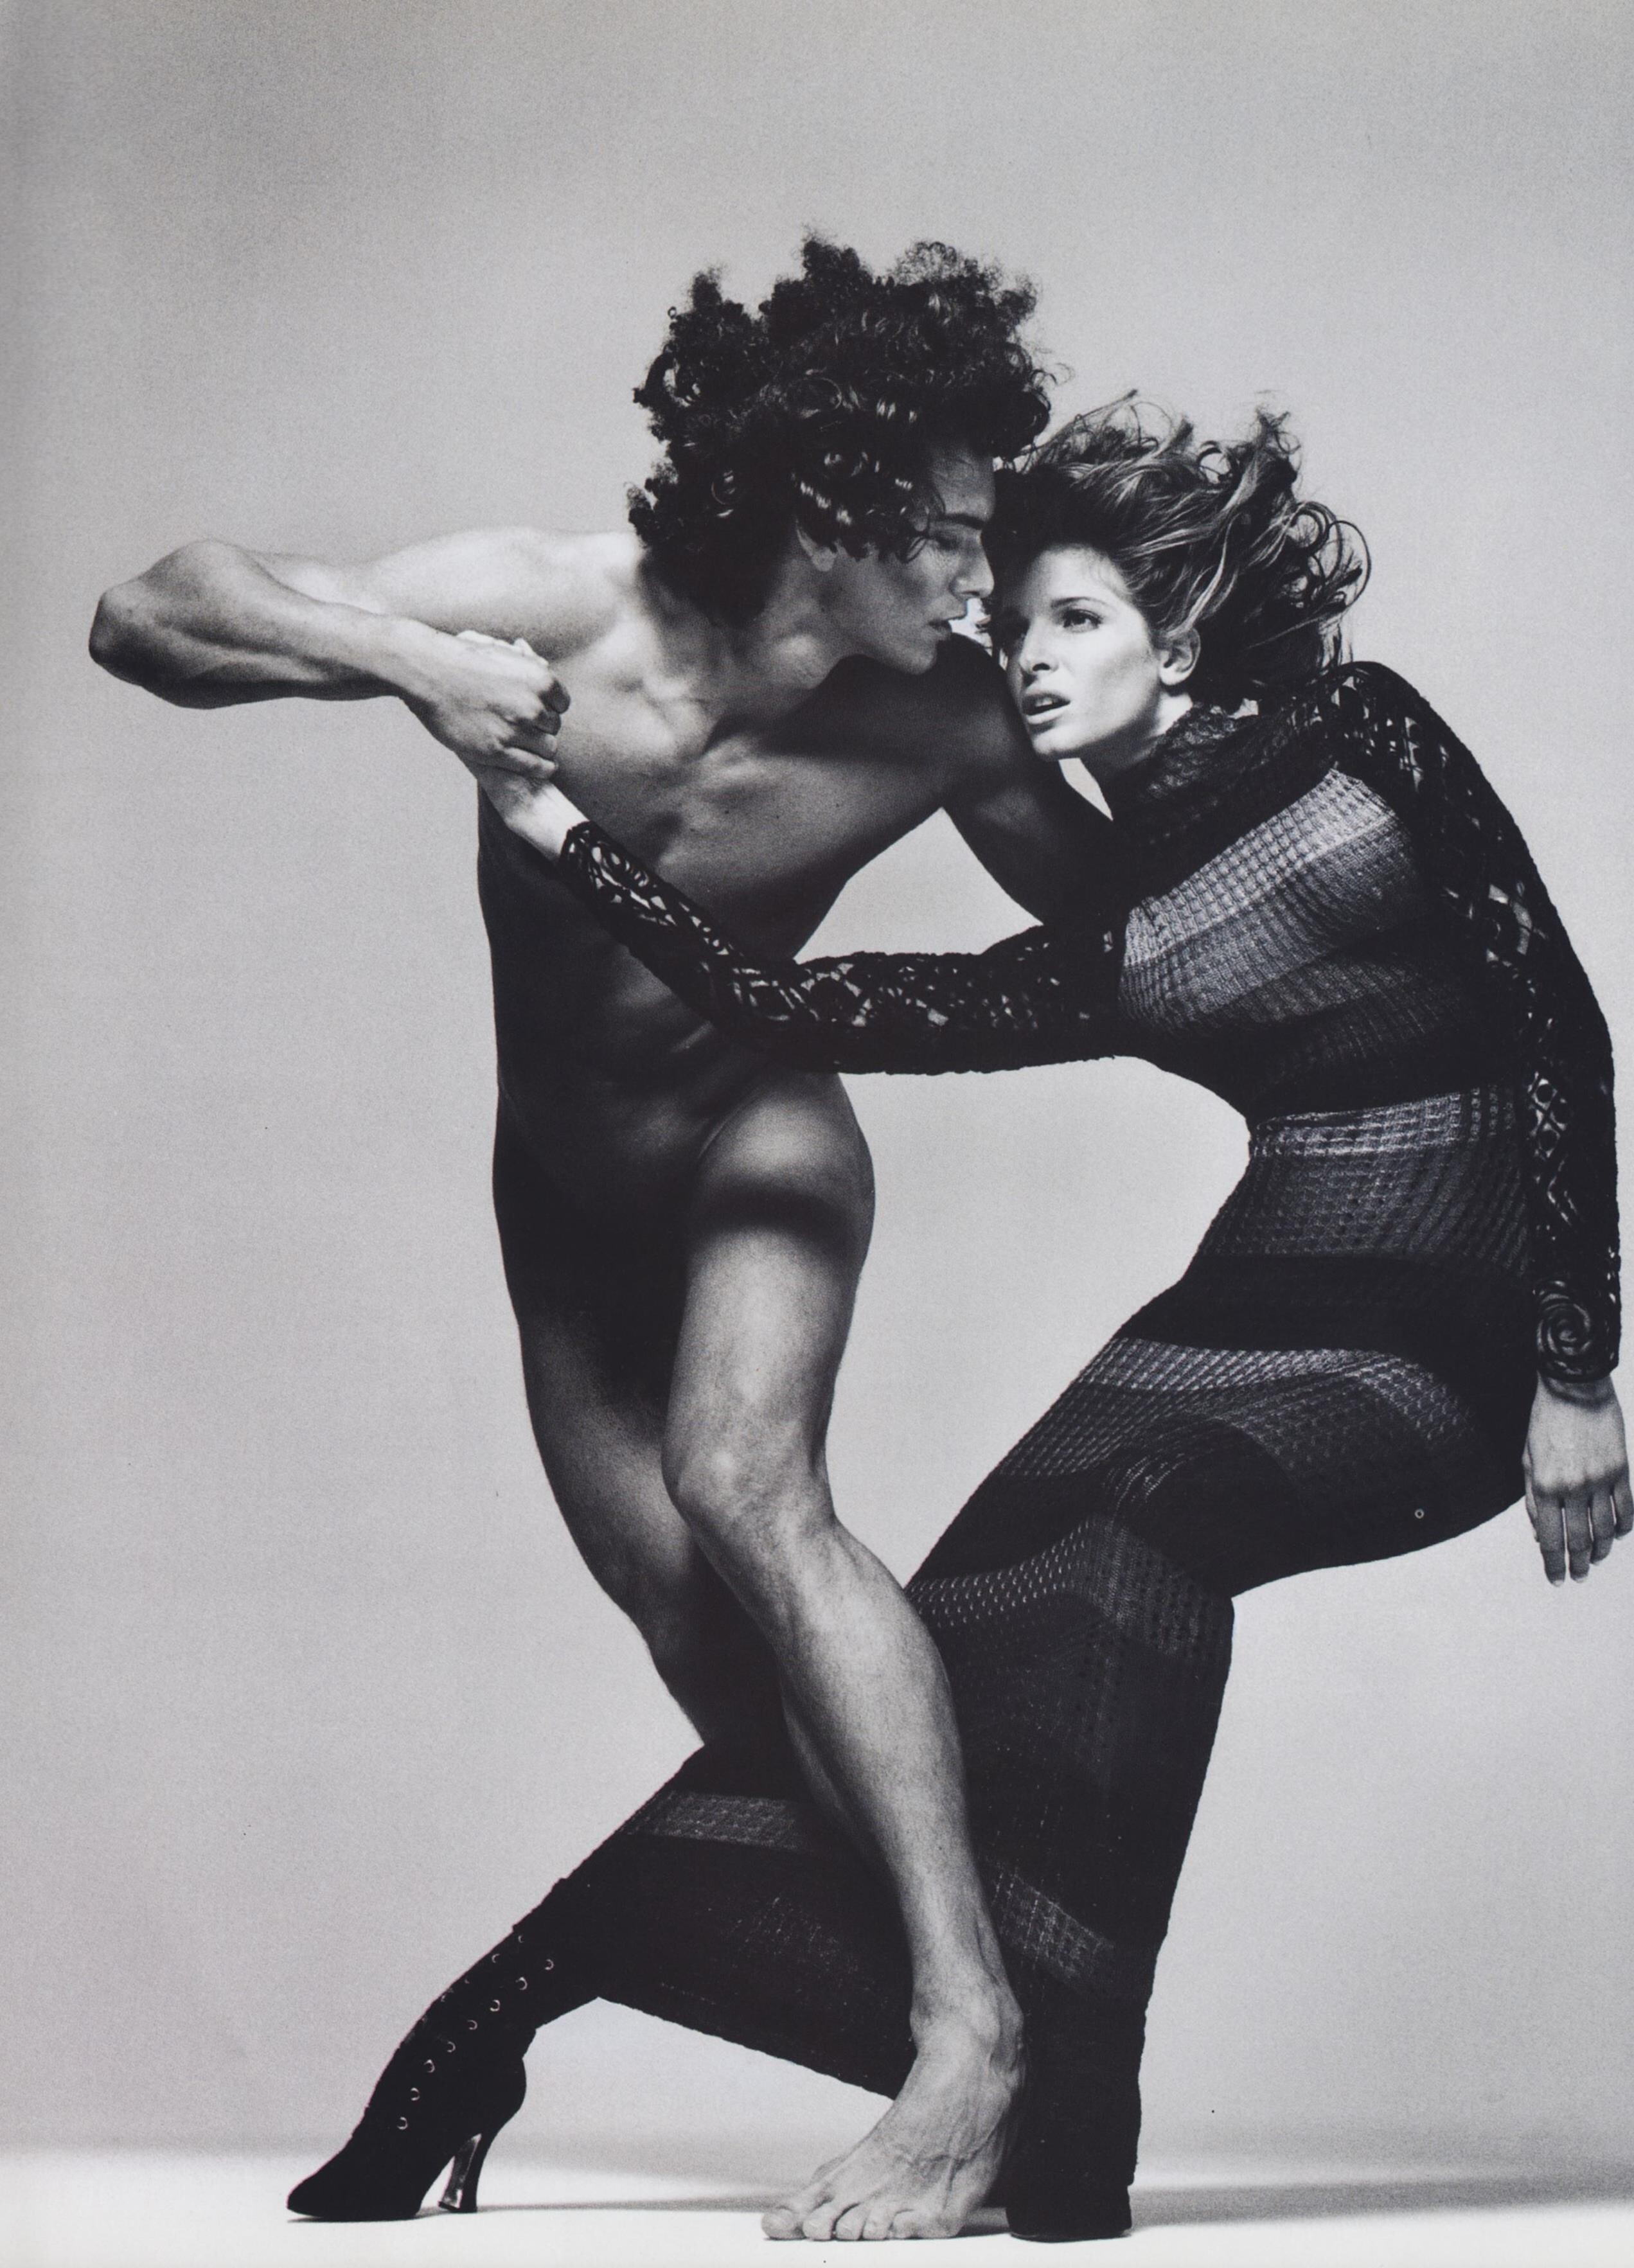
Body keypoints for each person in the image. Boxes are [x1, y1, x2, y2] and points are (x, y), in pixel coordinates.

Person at [283, 398, 1629, 2244]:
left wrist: (1576, 1365)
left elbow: (1559, 1017)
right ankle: (529, 2008)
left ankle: (1047, 2106)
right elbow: (789, 1001)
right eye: (1016, 624)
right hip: (1272, 1284)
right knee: (971, 1624)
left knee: (1141, 1517)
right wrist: (555, 827)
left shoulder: (1366, 733)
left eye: (1076, 617)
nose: (1028, 657)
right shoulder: (1117, 934)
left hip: (1467, 1320)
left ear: (1182, 622)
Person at [88, 240, 1117, 2239]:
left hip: (760, 1133)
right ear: (832, 511)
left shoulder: (948, 723)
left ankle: (974, 2031)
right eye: (949, 536)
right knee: (685, 1610)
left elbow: (1148, 930)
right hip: (558, 1194)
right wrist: (408, 661)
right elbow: (143, 616)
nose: (978, 579)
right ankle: (992, 1995)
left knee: (747, 1485)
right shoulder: (561, 608)